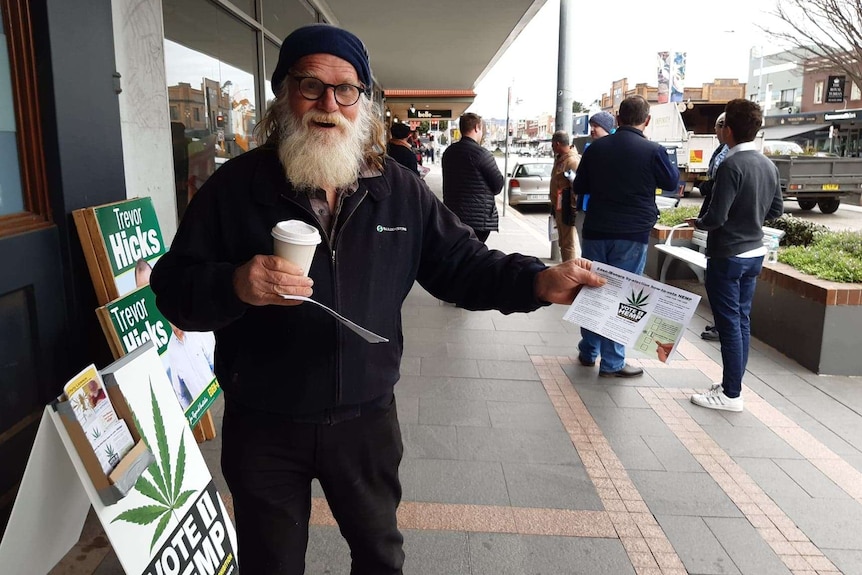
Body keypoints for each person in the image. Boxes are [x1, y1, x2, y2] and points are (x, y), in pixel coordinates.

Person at [149, 23, 606, 575]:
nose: (329, 104)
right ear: (282, 94)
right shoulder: (235, 188)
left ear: (363, 101)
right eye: (310, 85)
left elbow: (462, 265)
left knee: (380, 557)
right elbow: (172, 288)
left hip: (366, 422)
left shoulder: (397, 188)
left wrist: (538, 280)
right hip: (264, 422)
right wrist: (235, 285)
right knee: (269, 565)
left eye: (346, 89)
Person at [688, 99, 783, 412]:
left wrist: (697, 223)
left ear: (728, 130)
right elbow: (776, 211)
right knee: (741, 322)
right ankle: (732, 387)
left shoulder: (731, 165)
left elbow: (716, 217)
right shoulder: (767, 164)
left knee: (728, 325)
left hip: (728, 255)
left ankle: (730, 394)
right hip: (755, 253)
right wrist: (751, 219)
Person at [573, 95, 679, 378]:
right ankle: (613, 362)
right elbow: (671, 183)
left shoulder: (595, 149)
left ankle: (588, 351)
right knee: (622, 296)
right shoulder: (652, 150)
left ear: (617, 119)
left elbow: (580, 185)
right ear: (647, 121)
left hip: (596, 231)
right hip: (632, 234)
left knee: (593, 289)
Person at [441, 112, 505, 242]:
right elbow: (497, 185)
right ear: (477, 128)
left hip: (453, 216)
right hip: (478, 219)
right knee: (475, 256)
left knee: (460, 253)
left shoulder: (449, 152)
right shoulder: (482, 154)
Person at [698, 113, 729, 341]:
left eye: (717, 126)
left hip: (725, 237)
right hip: (729, 236)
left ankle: (724, 327)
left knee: (718, 284)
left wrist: (708, 187)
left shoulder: (729, 158)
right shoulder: (721, 152)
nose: (716, 131)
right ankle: (722, 324)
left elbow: (719, 192)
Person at [166, 324, 216, 410]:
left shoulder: (195, 332)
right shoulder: (171, 349)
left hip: (216, 394)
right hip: (202, 408)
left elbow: (213, 362)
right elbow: (179, 393)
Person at [549, 130, 581, 261]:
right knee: (562, 241)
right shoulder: (560, 159)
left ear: (557, 144)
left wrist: (573, 209)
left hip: (567, 207)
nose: (552, 147)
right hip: (558, 207)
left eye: (552, 144)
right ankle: (565, 266)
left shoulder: (572, 161)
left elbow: (577, 187)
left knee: (568, 243)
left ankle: (570, 268)